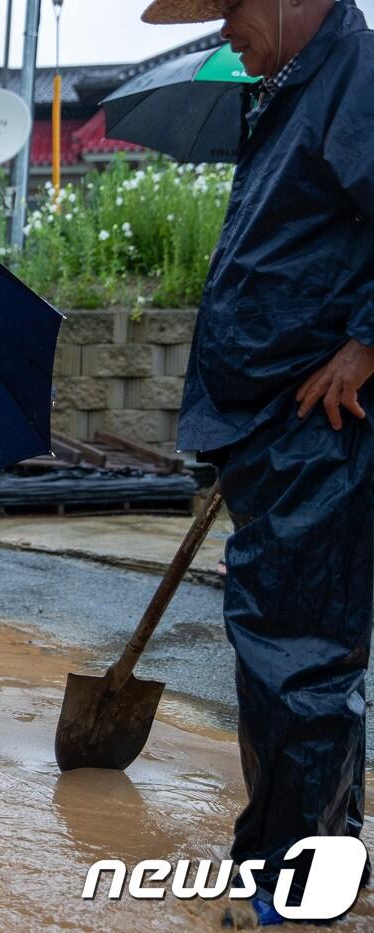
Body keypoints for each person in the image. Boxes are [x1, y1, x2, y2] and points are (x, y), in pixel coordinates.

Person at [141, 0, 374, 924]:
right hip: (270, 427)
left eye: (234, 6)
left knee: (299, 658)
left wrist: (366, 343)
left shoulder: (356, 76)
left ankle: (295, 881)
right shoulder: (288, 87)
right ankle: (312, 854)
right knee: (284, 648)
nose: (226, 28)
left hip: (322, 422)